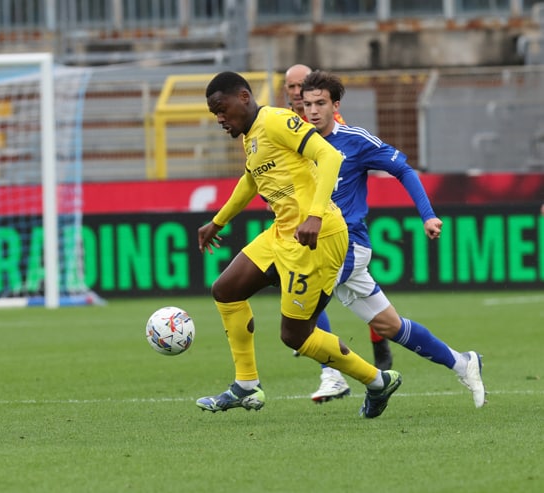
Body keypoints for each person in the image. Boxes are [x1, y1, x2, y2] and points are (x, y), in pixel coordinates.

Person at [196, 71, 402, 419]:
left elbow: (330, 157)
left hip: (318, 238)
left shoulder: (277, 120)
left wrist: (316, 215)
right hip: (283, 233)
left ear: (244, 97)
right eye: (214, 112)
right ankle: (245, 386)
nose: (219, 118)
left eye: (222, 108)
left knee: (295, 335)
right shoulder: (251, 137)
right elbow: (251, 179)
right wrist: (218, 221)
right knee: (226, 290)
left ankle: (378, 381)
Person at [299, 70, 486, 407]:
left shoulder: (355, 140)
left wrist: (427, 214)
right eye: (307, 104)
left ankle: (357, 379)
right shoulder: (297, 143)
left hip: (348, 245)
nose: (312, 111)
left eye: (320, 103)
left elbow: (403, 169)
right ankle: (462, 362)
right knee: (389, 326)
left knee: (298, 313)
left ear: (335, 105)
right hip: (320, 246)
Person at [285, 63, 393, 372]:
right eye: (291, 87)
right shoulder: (288, 121)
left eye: (300, 86)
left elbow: (337, 157)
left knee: (309, 284)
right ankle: (330, 352)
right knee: (301, 280)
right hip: (308, 220)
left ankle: (338, 360)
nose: (295, 91)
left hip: (336, 222)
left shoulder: (327, 123)